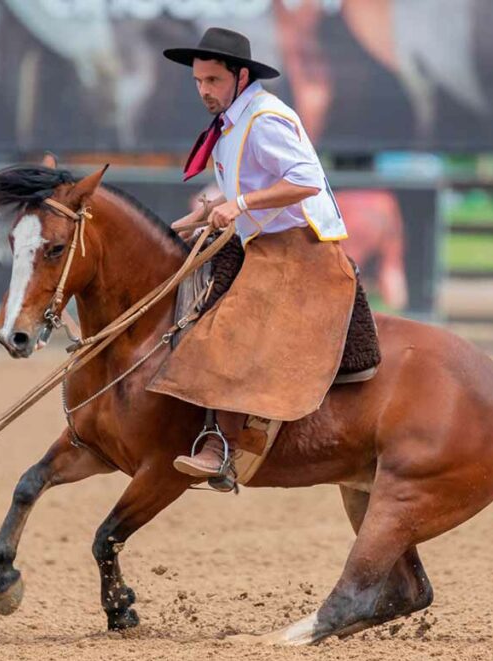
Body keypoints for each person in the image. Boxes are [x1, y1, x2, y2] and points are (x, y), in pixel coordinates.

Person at [147, 27, 356, 489]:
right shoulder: (231, 123)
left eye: (213, 81)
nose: (204, 91)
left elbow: (305, 181)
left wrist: (238, 206)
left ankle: (222, 445)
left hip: (300, 246)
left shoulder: (263, 119)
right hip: (263, 241)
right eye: (199, 82)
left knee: (230, 323)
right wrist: (200, 217)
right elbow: (241, 187)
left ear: (241, 77)